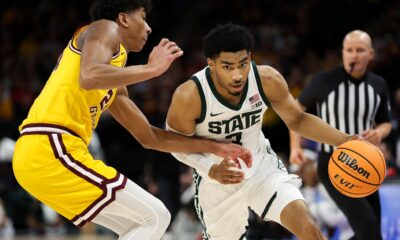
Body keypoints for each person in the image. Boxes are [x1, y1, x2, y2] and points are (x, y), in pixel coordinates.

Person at [11, 1, 252, 240]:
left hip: (42, 156)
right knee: (155, 216)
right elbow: (90, 75)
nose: (148, 28)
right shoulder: (104, 27)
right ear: (124, 19)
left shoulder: (114, 75)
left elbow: (148, 136)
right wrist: (152, 69)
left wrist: (214, 146)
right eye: (143, 17)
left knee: (140, 224)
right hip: (51, 146)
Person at [166, 23, 356, 240]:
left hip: (261, 168)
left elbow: (299, 120)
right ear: (211, 64)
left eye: (243, 64)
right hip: (217, 182)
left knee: (308, 226)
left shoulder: (266, 80)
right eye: (227, 66)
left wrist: (345, 140)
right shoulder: (190, 95)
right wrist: (211, 169)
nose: (237, 75)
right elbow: (175, 145)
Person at [289, 30, 392, 240]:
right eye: (350, 50)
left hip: (367, 162)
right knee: (369, 230)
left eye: (360, 50)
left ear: (370, 54)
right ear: (343, 53)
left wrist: (378, 132)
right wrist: (295, 147)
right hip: (334, 162)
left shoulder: (378, 85)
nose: (354, 55)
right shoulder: (323, 81)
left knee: (372, 233)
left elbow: (386, 123)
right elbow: (294, 114)